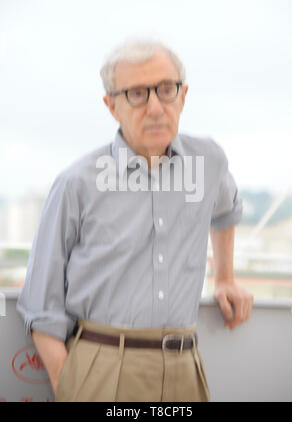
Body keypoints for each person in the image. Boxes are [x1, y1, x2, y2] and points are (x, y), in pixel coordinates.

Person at [17, 38, 253, 402]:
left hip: (185, 366)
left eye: (165, 89)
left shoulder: (208, 161)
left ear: (183, 95)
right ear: (111, 106)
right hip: (101, 370)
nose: (156, 107)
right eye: (137, 94)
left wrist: (225, 278)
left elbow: (227, 210)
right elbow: (39, 304)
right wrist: (70, 385)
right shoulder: (76, 183)